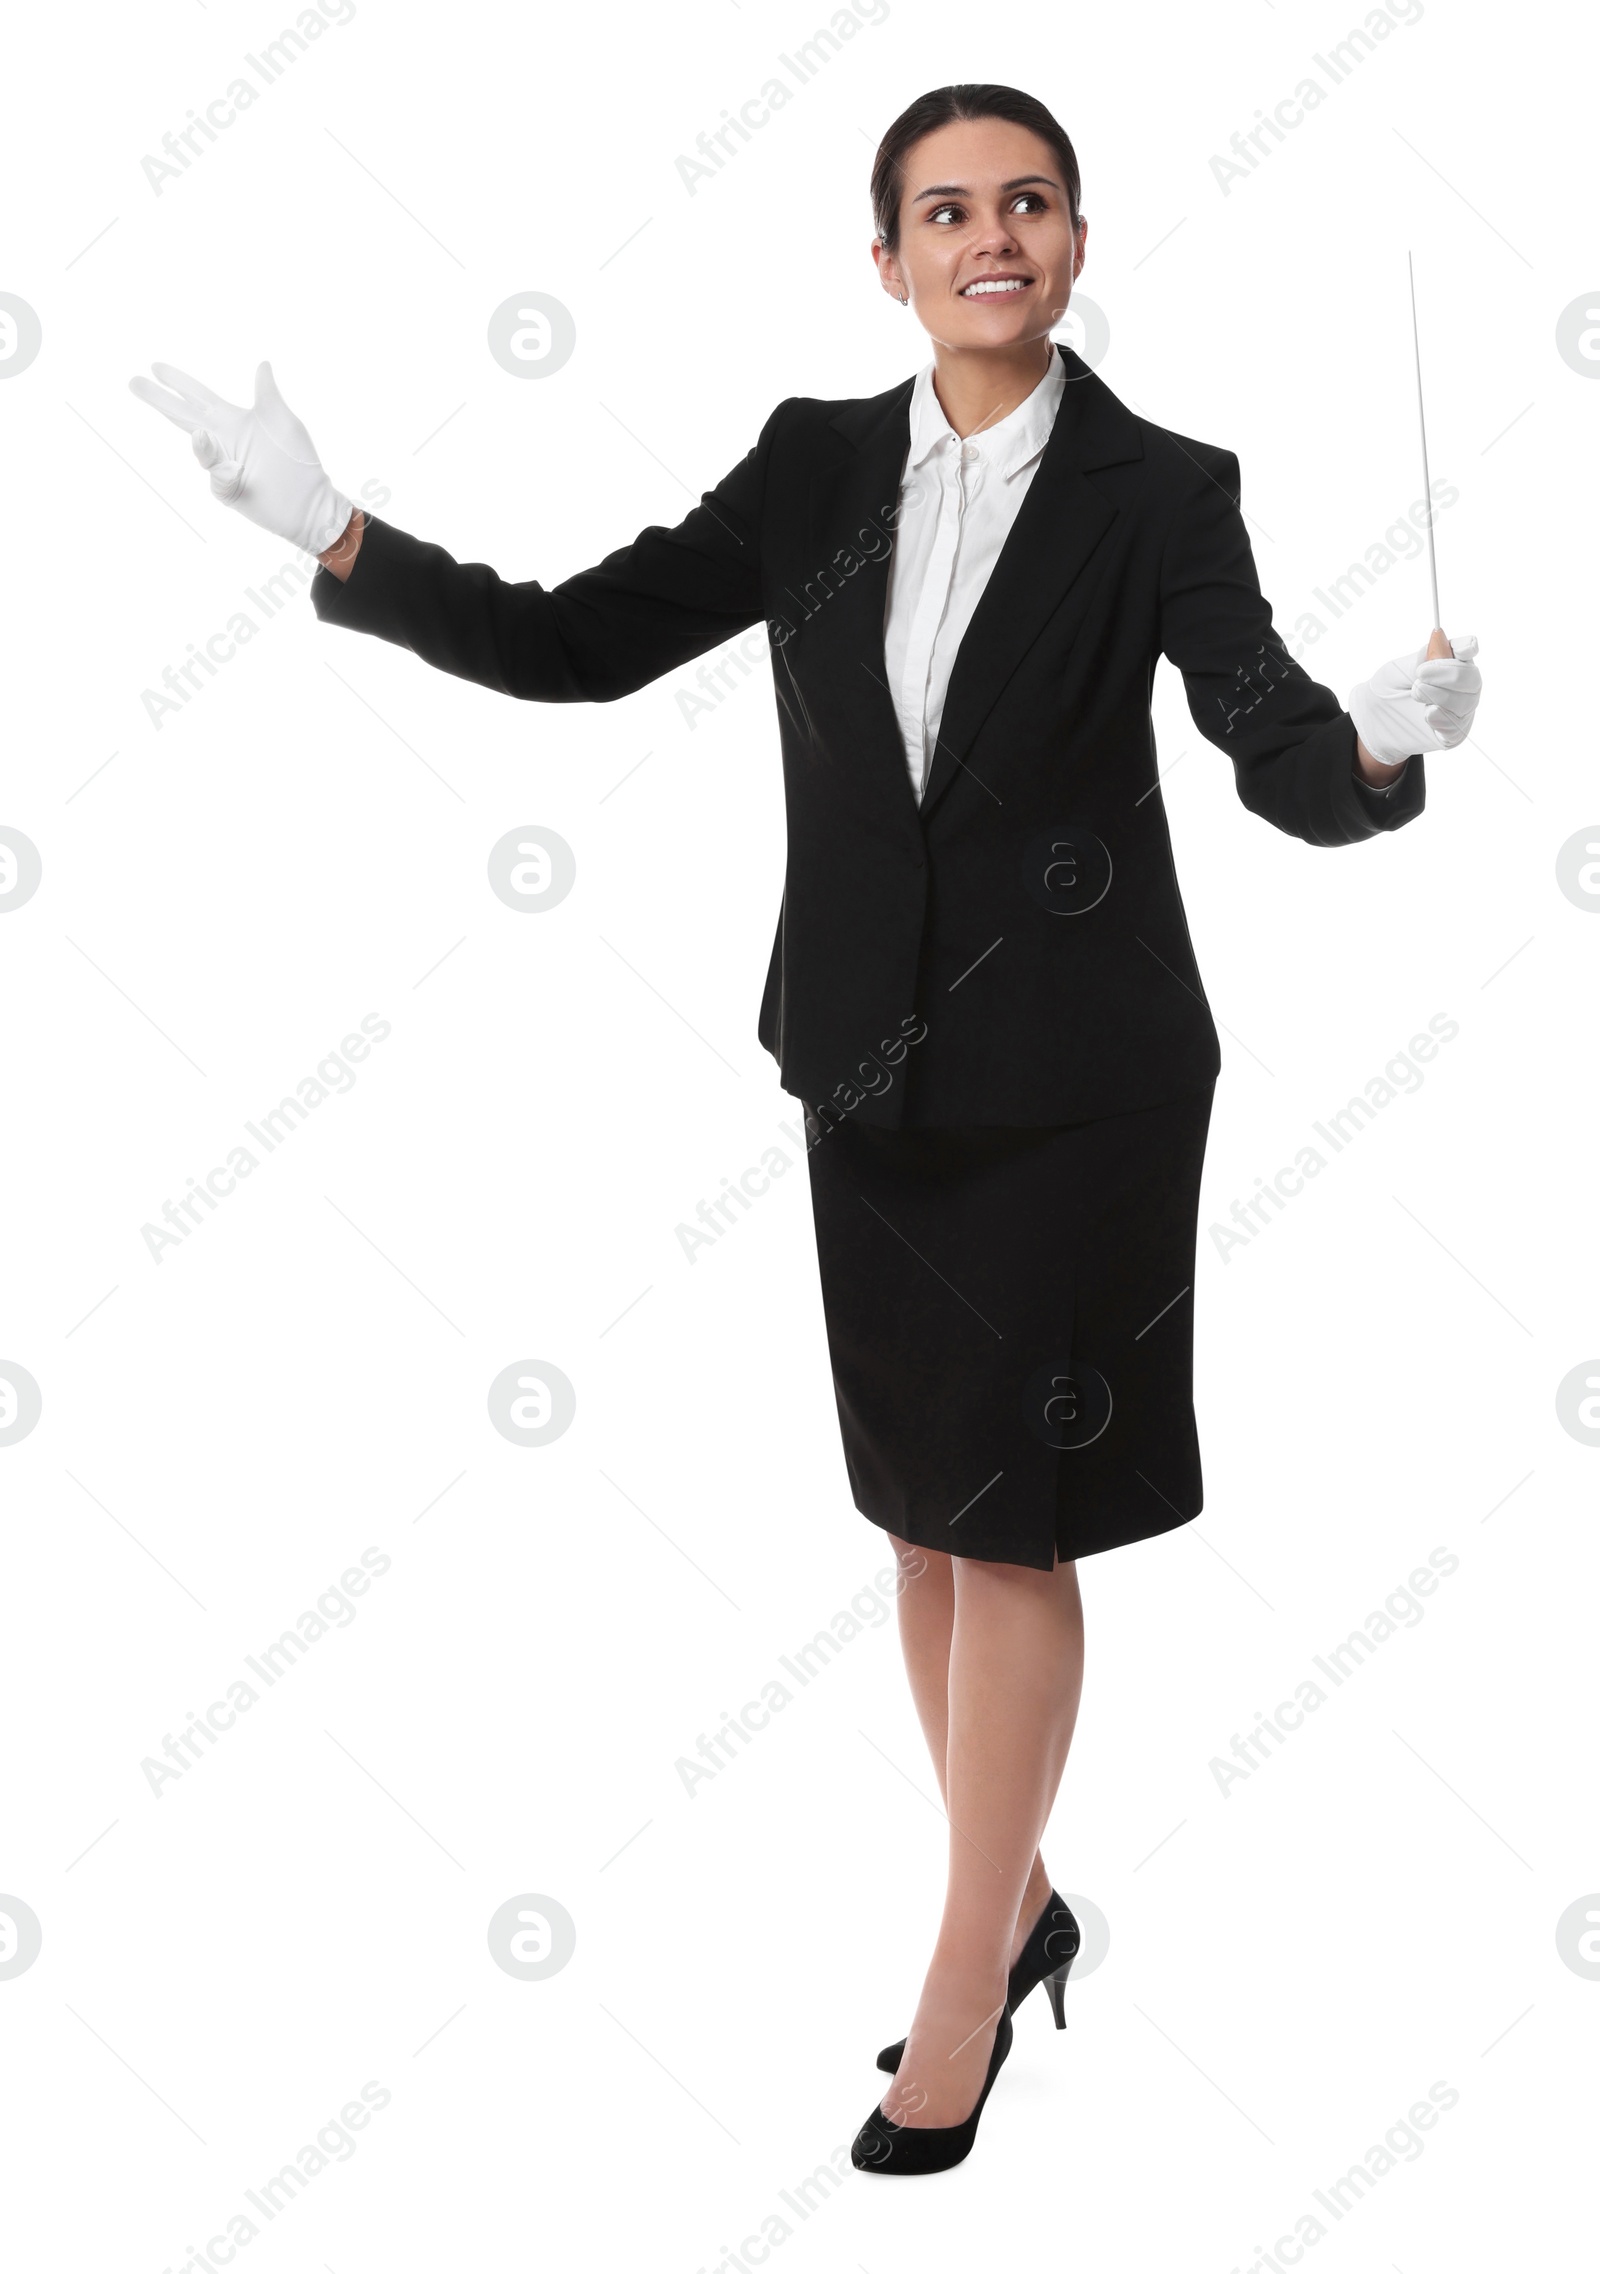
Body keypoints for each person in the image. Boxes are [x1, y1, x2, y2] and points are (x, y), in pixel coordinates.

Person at [130, 81, 1482, 2178]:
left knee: (1014, 1528)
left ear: (1075, 235)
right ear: (887, 262)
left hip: (1082, 1094)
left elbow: (1268, 738)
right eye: (944, 212)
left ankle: (963, 1994)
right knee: (925, 1519)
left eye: (1025, 201)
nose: (990, 237)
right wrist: (337, 533)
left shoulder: (1156, 489)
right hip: (868, 1070)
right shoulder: (810, 463)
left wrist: (1374, 754)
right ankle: (1012, 1898)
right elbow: (577, 646)